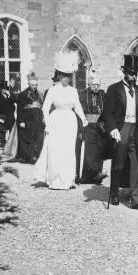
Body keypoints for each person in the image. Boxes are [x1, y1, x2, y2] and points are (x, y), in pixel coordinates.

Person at [99, 55, 138, 210]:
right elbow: (107, 113)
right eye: (130, 73)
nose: (133, 76)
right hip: (122, 128)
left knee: (137, 164)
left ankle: (136, 200)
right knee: (119, 163)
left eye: (135, 73)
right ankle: (114, 193)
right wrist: (113, 129)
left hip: (137, 130)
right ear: (124, 72)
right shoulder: (114, 89)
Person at [33, 51, 87, 190]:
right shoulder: (52, 90)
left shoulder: (73, 91)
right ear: (59, 76)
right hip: (56, 120)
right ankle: (54, 180)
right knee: (55, 150)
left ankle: (67, 179)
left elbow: (78, 107)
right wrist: (47, 123)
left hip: (70, 121)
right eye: (64, 76)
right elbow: (45, 108)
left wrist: (83, 119)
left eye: (69, 76)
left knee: (68, 150)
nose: (67, 79)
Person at [75, 71, 107, 185]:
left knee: (99, 150)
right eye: (94, 85)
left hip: (100, 126)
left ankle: (97, 175)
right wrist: (80, 130)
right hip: (87, 125)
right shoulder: (83, 94)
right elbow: (79, 113)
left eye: (98, 85)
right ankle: (87, 176)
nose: (96, 87)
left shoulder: (103, 94)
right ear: (89, 84)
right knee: (89, 151)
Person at [15, 73, 45, 163]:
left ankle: (36, 155)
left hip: (38, 120)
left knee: (38, 138)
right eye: (33, 85)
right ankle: (30, 157)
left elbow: (43, 107)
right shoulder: (23, 94)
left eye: (36, 85)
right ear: (28, 84)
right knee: (29, 138)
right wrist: (21, 121)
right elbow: (19, 109)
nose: (35, 87)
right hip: (28, 120)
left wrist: (44, 118)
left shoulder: (40, 94)